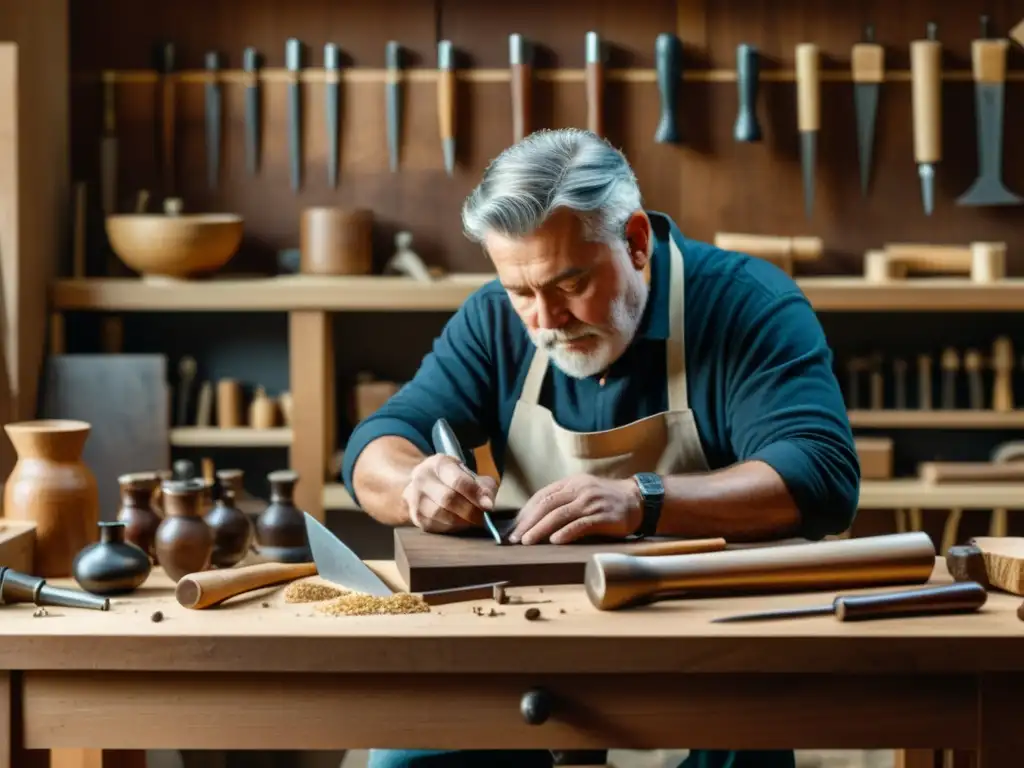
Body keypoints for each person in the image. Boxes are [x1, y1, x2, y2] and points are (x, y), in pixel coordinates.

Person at [342, 128, 860, 768]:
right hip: (529, 630)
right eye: (521, 292)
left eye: (569, 283)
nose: (545, 320)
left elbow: (821, 476)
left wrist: (641, 499)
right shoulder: (493, 319)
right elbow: (375, 445)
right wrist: (414, 482)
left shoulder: (747, 306)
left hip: (711, 641)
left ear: (637, 242)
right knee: (404, 756)